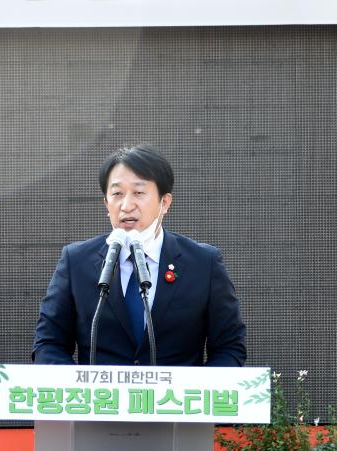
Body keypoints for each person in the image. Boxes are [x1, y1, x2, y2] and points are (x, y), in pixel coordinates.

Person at [32, 144, 246, 367]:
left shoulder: (203, 263)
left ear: (164, 202)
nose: (126, 206)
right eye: (117, 194)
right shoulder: (76, 261)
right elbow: (49, 344)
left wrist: (196, 388)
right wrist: (80, 386)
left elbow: (230, 347)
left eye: (139, 193)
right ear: (106, 204)